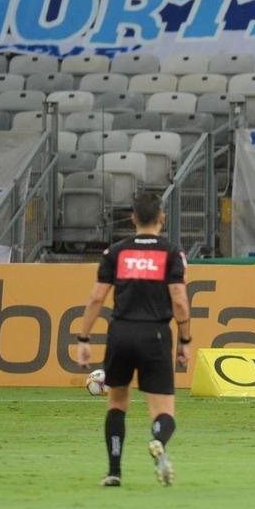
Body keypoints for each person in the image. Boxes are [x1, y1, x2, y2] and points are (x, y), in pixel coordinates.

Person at [76, 192, 190, 487]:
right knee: (163, 411)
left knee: (116, 403)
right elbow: (179, 301)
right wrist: (185, 341)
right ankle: (158, 441)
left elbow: (96, 297)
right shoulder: (171, 253)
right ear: (162, 217)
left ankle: (114, 471)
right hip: (155, 334)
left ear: (133, 218)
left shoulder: (115, 252)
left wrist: (84, 337)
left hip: (121, 333)